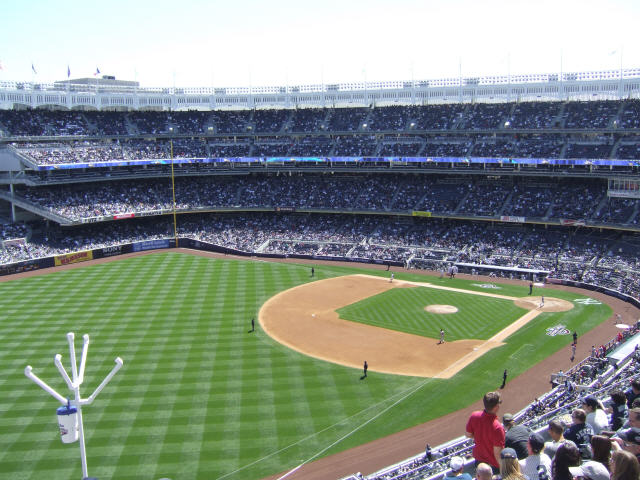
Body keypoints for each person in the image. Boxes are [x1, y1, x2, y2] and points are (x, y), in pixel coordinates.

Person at [465, 391, 505, 472]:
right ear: (496, 407)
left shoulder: (474, 416)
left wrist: (478, 436)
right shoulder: (497, 427)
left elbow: (468, 434)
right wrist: (503, 470)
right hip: (493, 466)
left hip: (479, 462)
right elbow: (497, 453)